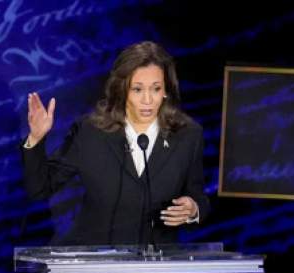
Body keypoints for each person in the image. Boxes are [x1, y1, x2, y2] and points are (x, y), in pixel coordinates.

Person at [21, 41, 210, 246]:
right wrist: (36, 139)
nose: (147, 100)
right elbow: (40, 189)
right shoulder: (90, 133)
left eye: (156, 89)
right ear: (122, 89)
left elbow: (198, 196)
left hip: (157, 267)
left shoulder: (187, 135)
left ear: (166, 90)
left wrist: (193, 209)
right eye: (137, 89)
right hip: (98, 265)